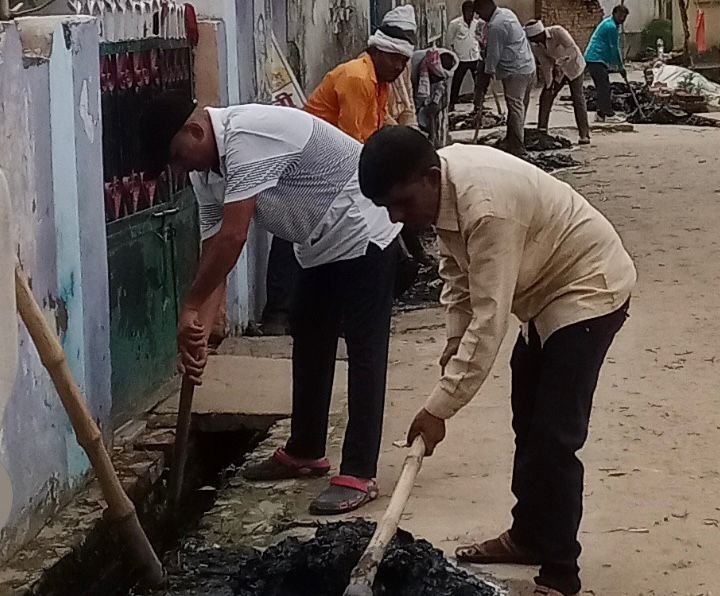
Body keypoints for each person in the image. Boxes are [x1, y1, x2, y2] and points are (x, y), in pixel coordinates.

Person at [358, 126, 636, 596]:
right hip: (542, 291)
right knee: (527, 419)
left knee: (554, 438)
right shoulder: (442, 189)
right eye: (387, 208)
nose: (397, 217)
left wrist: (438, 409)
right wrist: (454, 343)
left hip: (588, 287)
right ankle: (528, 536)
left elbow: (489, 320)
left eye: (402, 203)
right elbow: (457, 276)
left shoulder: (486, 208)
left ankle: (560, 572)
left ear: (429, 177)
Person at [140, 93, 402, 515]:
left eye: (176, 155)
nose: (179, 168)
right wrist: (200, 330)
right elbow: (215, 251)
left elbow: (234, 236)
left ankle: (359, 471)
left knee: (364, 350)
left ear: (194, 130)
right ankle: (305, 450)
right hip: (316, 242)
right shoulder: (206, 173)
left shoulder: (246, 135)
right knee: (310, 338)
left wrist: (190, 306)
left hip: (362, 225)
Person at [304, 5, 416, 143]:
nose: (398, 66)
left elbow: (380, 122)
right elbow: (350, 138)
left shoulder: (383, 82)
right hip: (316, 144)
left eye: (403, 61)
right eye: (393, 58)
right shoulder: (358, 77)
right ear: (375, 52)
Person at [473, 0, 536, 155]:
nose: (480, 16)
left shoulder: (497, 25)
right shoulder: (507, 13)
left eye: (479, 12)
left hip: (515, 71)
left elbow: (493, 54)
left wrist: (486, 75)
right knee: (520, 107)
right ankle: (512, 139)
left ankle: (517, 146)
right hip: (527, 66)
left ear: (486, 7)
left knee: (515, 108)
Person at [524, 20, 590, 145]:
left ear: (540, 33)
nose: (534, 42)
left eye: (535, 39)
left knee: (577, 97)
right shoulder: (536, 46)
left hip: (573, 66)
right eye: (532, 40)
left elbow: (571, 49)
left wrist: (560, 63)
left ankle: (584, 134)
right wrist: (550, 84)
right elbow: (545, 63)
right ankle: (542, 130)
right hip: (557, 71)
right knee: (546, 96)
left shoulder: (558, 32)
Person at [584, 5, 629, 123]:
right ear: (614, 14)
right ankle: (609, 114)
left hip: (596, 59)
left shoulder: (611, 24)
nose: (622, 19)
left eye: (624, 17)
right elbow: (614, 49)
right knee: (604, 88)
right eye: (620, 15)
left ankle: (600, 114)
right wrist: (620, 67)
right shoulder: (610, 26)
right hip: (595, 59)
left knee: (602, 87)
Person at [410, 47, 459, 146]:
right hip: (414, 91)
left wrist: (436, 101)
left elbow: (442, 84)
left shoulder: (448, 64)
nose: (436, 79)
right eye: (434, 77)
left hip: (434, 93)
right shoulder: (414, 65)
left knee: (434, 115)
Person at [447, 0, 481, 112]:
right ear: (463, 11)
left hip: (474, 57)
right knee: (457, 82)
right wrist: (453, 56)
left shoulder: (477, 24)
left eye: (472, 11)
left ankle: (479, 104)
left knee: (479, 83)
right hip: (460, 58)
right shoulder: (455, 24)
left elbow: (479, 38)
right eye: (467, 11)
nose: (470, 13)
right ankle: (452, 103)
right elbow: (449, 41)